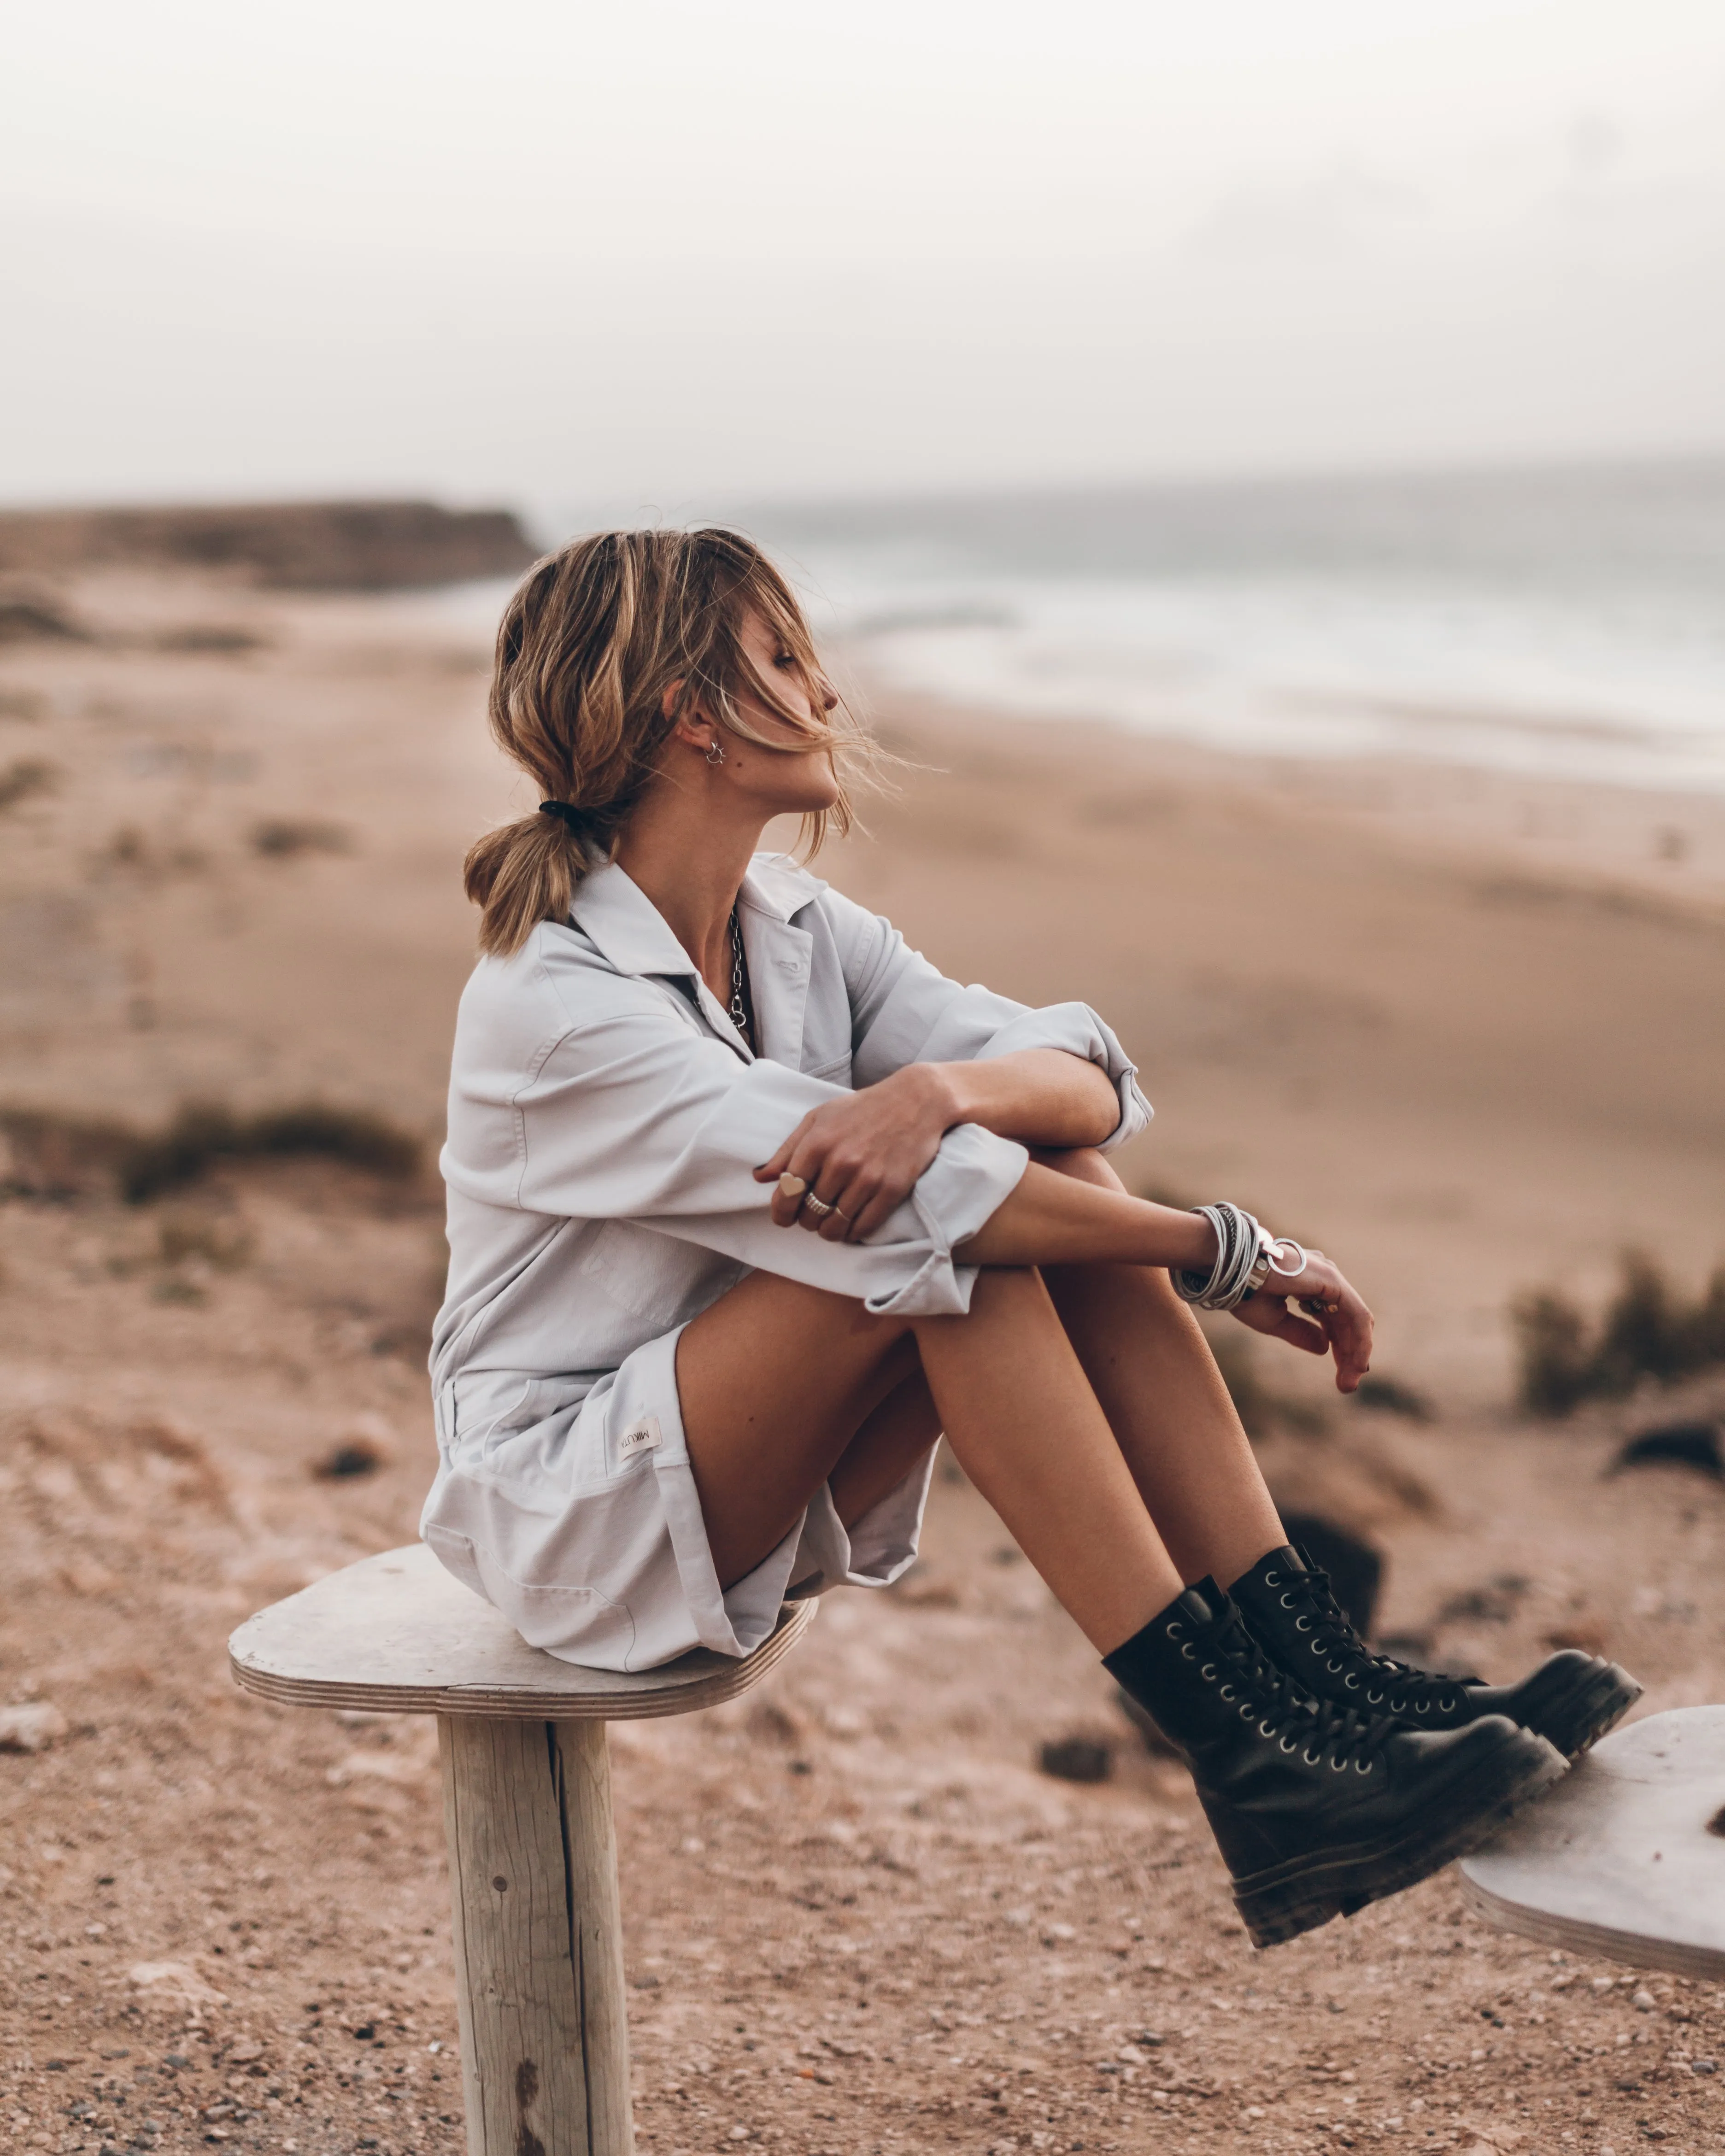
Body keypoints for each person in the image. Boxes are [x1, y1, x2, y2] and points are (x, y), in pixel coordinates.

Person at [425, 528, 1638, 1947]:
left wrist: (940, 1088)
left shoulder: (794, 928)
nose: (826, 693)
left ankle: (1325, 1695)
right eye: (784, 660)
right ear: (696, 717)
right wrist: (1228, 1255)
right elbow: (938, 1216)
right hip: (572, 1505)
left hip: (728, 1451)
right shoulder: (556, 1000)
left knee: (1032, 1170)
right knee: (955, 1252)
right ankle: (1252, 1767)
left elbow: (1086, 1074)